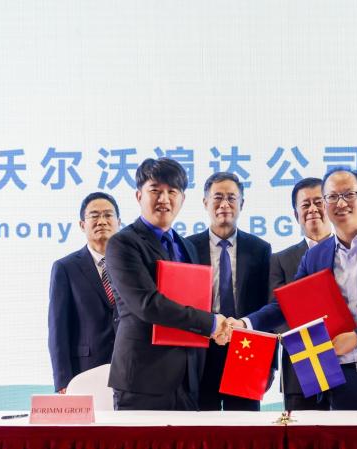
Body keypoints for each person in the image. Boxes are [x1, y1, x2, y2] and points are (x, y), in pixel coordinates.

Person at [241, 168, 357, 411]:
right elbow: (288, 306)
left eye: (349, 194)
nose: (341, 203)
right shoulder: (315, 256)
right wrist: (245, 324)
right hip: (339, 382)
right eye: (332, 197)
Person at [104, 157, 231, 410]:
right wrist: (211, 323)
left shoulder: (187, 247)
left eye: (172, 191)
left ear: (182, 199)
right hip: (143, 378)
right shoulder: (122, 243)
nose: (164, 199)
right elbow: (147, 304)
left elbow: (195, 302)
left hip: (188, 379)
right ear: (139, 196)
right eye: (155, 190)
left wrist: (219, 327)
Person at [187, 172, 273, 411]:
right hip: (201, 350)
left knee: (245, 426)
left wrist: (270, 364)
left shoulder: (260, 249)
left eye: (231, 198)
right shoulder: (187, 247)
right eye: (217, 197)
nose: (224, 204)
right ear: (205, 202)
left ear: (241, 204)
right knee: (202, 424)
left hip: (246, 349)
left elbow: (268, 306)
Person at [47, 191, 121, 392]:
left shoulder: (131, 265)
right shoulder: (66, 267)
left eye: (108, 215)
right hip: (85, 371)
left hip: (129, 366)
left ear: (118, 222)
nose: (102, 221)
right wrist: (63, 381)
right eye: (94, 216)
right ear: (82, 225)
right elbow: (58, 329)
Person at [270, 177, 333, 410]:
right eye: (305, 204)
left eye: (319, 202)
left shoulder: (350, 252)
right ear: (296, 215)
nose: (312, 209)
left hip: (349, 366)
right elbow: (276, 314)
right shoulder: (280, 260)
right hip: (300, 370)